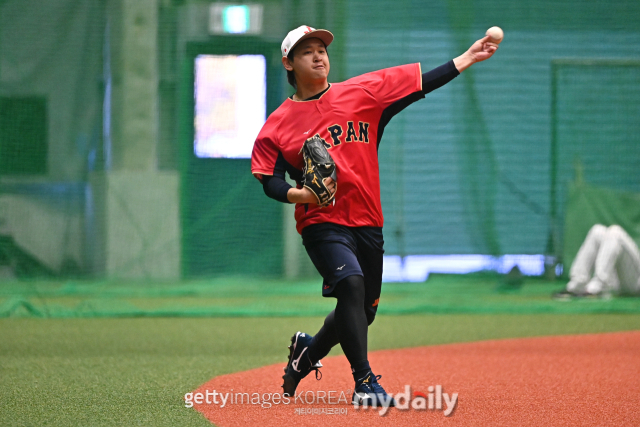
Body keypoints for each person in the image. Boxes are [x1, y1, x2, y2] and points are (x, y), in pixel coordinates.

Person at [250, 25, 498, 407]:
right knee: (350, 285)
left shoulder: (362, 93)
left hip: (367, 219)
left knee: (362, 311)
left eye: (321, 49)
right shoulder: (279, 123)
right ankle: (364, 381)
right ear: (288, 63)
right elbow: (269, 178)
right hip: (322, 222)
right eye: (306, 52)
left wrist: (468, 57)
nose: (318, 56)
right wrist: (300, 194)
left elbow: (420, 85)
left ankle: (307, 352)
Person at [554, 224, 640, 299]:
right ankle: (577, 283)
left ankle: (598, 286)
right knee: (597, 231)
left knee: (615, 231)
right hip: (617, 281)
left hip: (635, 283)